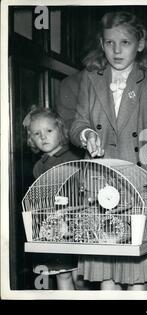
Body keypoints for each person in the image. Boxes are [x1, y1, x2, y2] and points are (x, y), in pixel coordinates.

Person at [70, 11, 147, 290]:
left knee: (137, 279)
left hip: (138, 184)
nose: (116, 50)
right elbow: (78, 122)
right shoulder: (90, 78)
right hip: (97, 183)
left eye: (125, 43)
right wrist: (87, 134)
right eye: (109, 43)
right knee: (105, 278)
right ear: (101, 44)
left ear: (140, 44)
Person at [23, 107, 80, 290]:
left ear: (61, 131)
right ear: (31, 138)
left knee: (80, 277)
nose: (43, 137)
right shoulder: (39, 166)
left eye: (49, 131)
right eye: (37, 134)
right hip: (52, 228)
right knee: (61, 274)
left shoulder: (74, 157)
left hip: (76, 224)